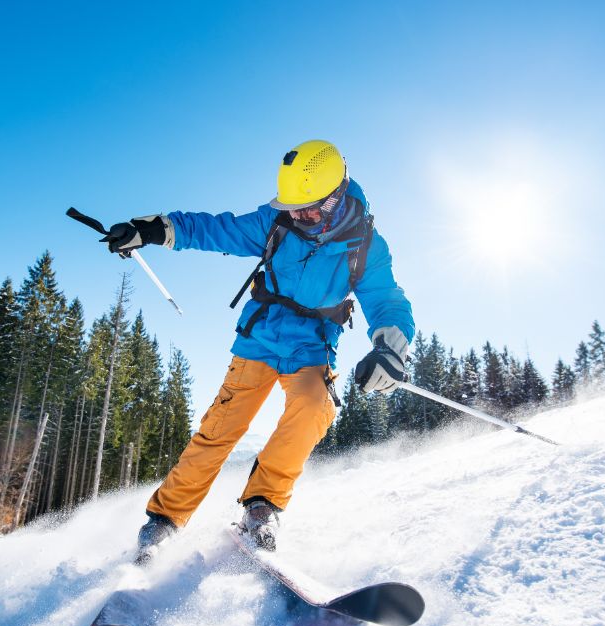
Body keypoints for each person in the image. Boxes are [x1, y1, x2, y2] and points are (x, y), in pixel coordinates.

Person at [101, 139, 414, 562]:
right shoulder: (277, 222)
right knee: (220, 428)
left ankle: (262, 504)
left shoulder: (366, 245)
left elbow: (386, 299)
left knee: (314, 406)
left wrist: (390, 350)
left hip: (312, 347)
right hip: (259, 339)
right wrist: (152, 229)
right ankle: (165, 520)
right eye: (292, 207)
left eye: (309, 207)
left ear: (337, 197)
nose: (298, 215)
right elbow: (216, 229)